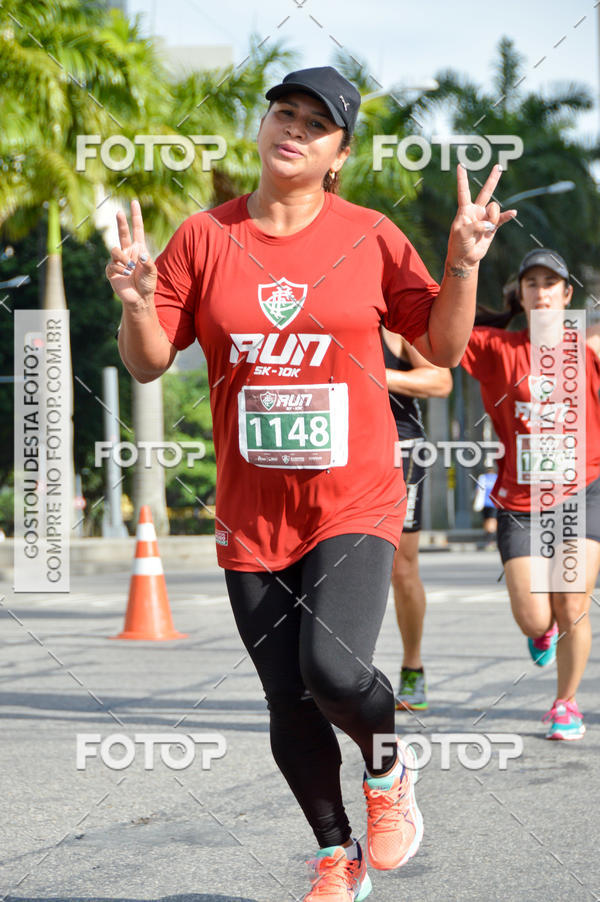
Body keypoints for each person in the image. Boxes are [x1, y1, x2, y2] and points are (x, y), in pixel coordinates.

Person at [106, 66, 515, 900]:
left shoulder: (368, 235)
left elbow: (437, 349)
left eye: (314, 124)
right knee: (286, 695)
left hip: (354, 495)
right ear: (263, 131)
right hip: (253, 511)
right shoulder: (204, 237)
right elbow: (148, 365)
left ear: (339, 154)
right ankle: (337, 854)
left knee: (332, 670)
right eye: (282, 114)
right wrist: (139, 302)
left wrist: (464, 263)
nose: (292, 129)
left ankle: (389, 771)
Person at [461, 248, 600, 741]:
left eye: (551, 283)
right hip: (520, 502)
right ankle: (540, 632)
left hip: (582, 492)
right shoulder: (496, 347)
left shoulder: (588, 350)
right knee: (535, 615)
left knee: (571, 604)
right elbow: (437, 334)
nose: (541, 291)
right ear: (520, 295)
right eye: (532, 283)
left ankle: (565, 703)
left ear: (566, 294)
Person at [381, 327, 452, 711]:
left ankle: (412, 666)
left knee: (400, 567)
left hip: (399, 450)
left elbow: (440, 380)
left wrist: (372, 375)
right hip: (338, 450)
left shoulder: (393, 329)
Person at [473, 459, 498, 549]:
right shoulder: (497, 478)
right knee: (492, 521)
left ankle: (489, 540)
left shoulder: (483, 478)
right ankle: (490, 540)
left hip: (484, 504)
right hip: (493, 503)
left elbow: (477, 491)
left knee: (487, 521)